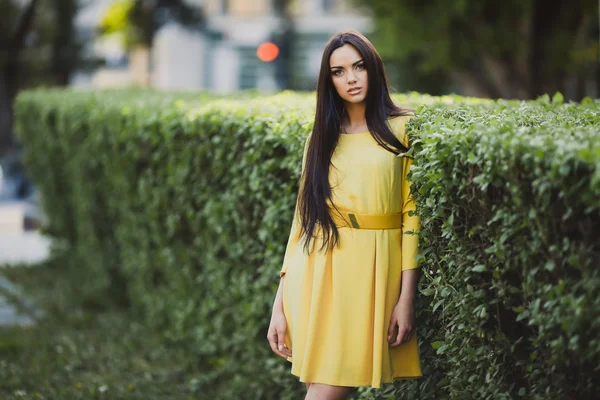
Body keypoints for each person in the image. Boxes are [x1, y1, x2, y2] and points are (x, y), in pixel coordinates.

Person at [267, 30, 422, 400]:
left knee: (326, 389)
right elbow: (302, 225)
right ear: (328, 80)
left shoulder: (404, 129)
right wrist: (279, 305)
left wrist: (406, 298)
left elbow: (412, 219)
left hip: (371, 271)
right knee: (321, 386)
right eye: (338, 72)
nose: (351, 78)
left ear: (374, 69)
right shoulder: (320, 138)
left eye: (359, 66)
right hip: (315, 270)